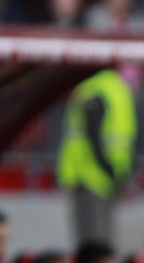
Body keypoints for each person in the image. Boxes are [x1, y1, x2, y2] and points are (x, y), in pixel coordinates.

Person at [56, 69, 137, 247]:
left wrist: (68, 175)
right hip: (106, 174)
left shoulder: (89, 88)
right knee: (101, 243)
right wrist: (118, 175)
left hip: (90, 175)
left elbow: (90, 136)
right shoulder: (118, 87)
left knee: (92, 246)